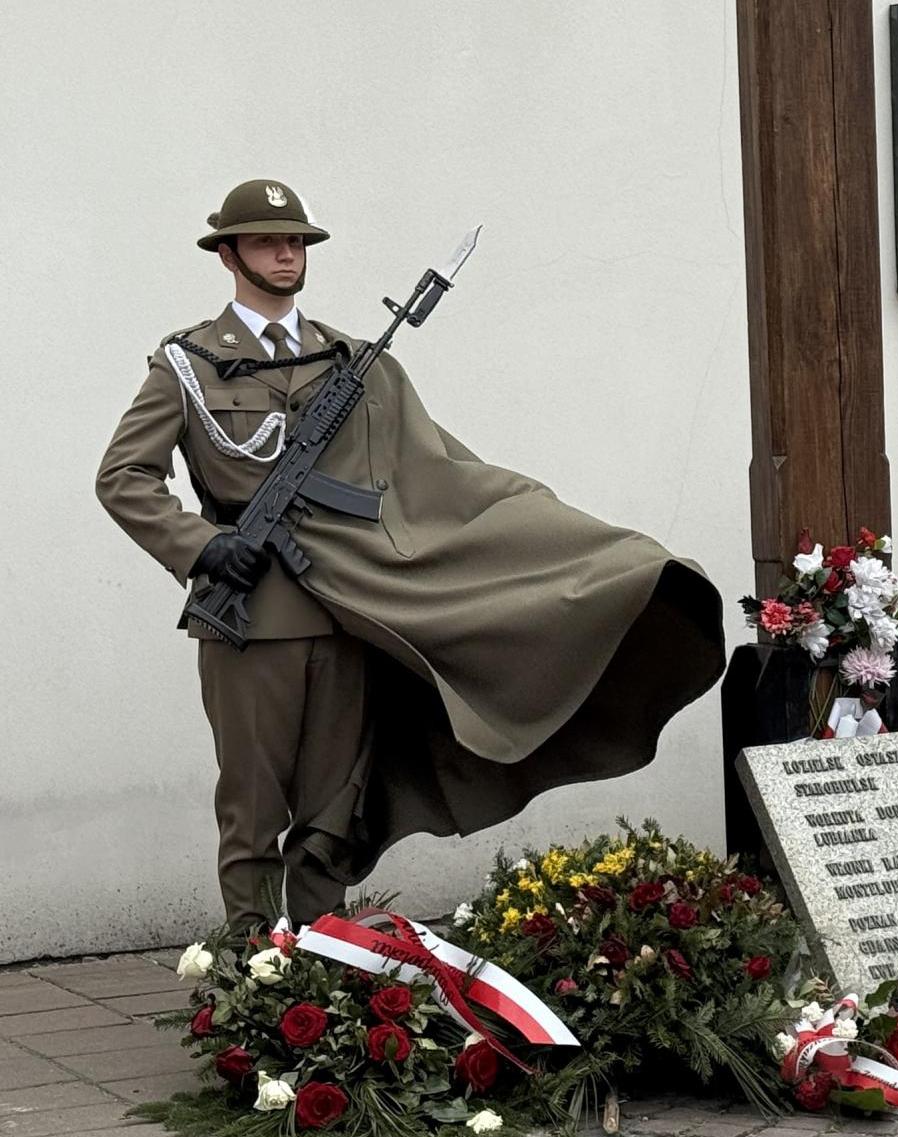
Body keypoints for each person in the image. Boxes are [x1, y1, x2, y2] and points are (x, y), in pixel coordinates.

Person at [96, 180, 725, 927]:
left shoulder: (353, 364)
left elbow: (436, 477)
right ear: (228, 254)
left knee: (333, 815)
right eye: (267, 240)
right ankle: (252, 973)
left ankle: (319, 971)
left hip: (350, 613)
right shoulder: (187, 365)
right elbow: (123, 476)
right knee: (252, 812)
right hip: (251, 620)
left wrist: (562, 540)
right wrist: (202, 547)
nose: (286, 253)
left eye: (296, 240)